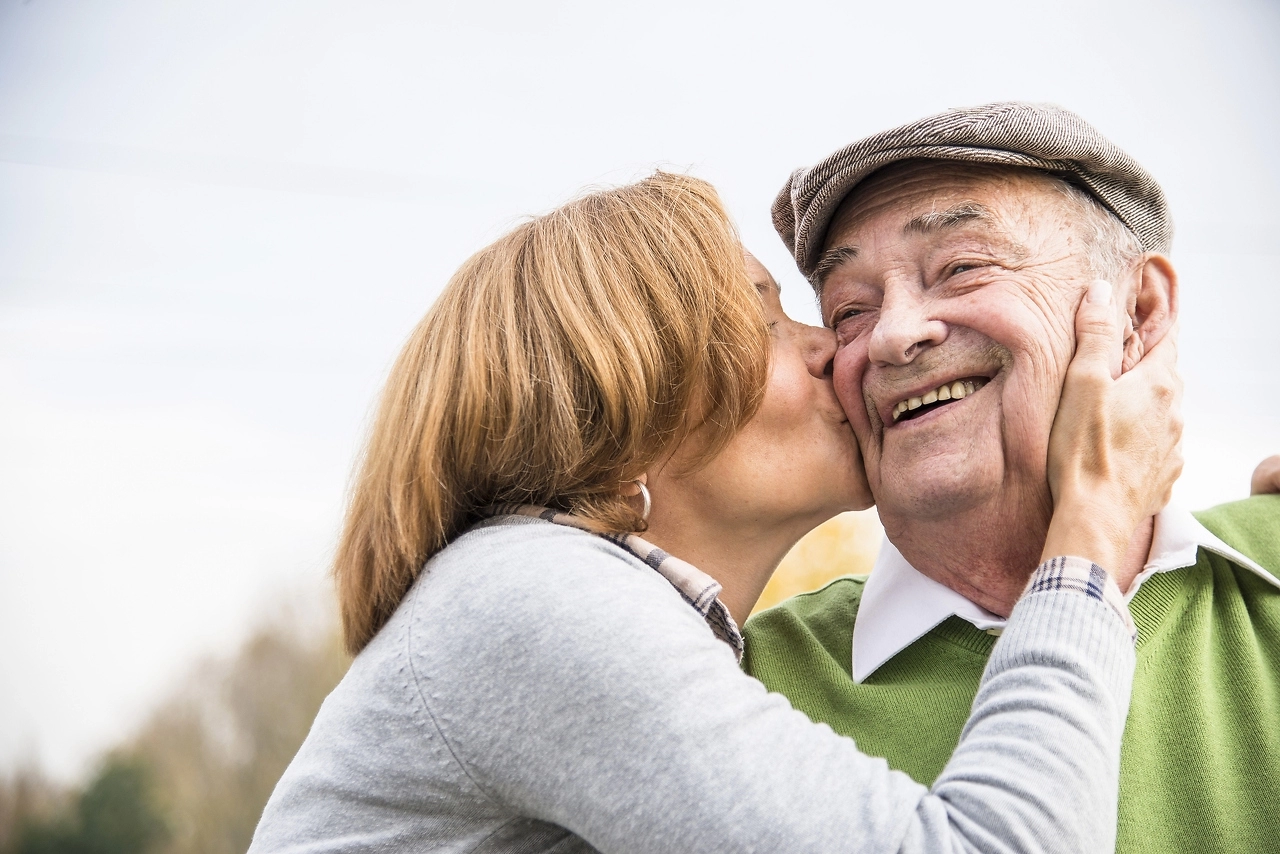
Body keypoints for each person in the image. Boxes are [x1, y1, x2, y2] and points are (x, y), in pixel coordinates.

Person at [248, 172, 1182, 854]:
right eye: (768, 325)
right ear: (624, 423)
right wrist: (1093, 524)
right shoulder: (531, 601)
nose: (839, 347)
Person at [745, 102, 1280, 854]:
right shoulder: (741, 685)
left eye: (962, 268)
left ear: (1140, 311)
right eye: (849, 311)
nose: (895, 335)